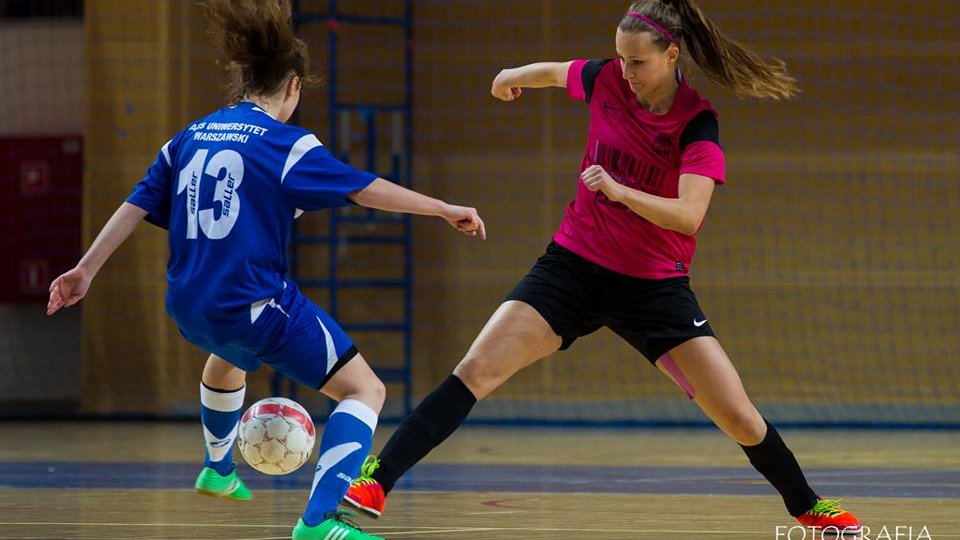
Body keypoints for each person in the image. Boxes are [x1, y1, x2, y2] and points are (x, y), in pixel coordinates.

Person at [343, 0, 861, 534]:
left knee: (739, 417)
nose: (626, 72)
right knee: (476, 370)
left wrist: (620, 191)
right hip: (572, 268)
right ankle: (376, 480)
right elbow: (553, 72)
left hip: (654, 288)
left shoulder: (697, 122)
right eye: (620, 59)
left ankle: (809, 506)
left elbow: (689, 216)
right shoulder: (608, 78)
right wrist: (509, 76)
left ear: (671, 54)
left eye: (638, 62)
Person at [46, 1, 485, 539]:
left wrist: (85, 270)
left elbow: (136, 204)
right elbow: (365, 187)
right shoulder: (287, 144)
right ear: (293, 87)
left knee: (227, 359)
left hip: (187, 303)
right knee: (365, 390)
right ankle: (319, 523)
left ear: (242, 80)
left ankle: (218, 467)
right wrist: (442, 207)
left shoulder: (192, 134)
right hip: (254, 304)